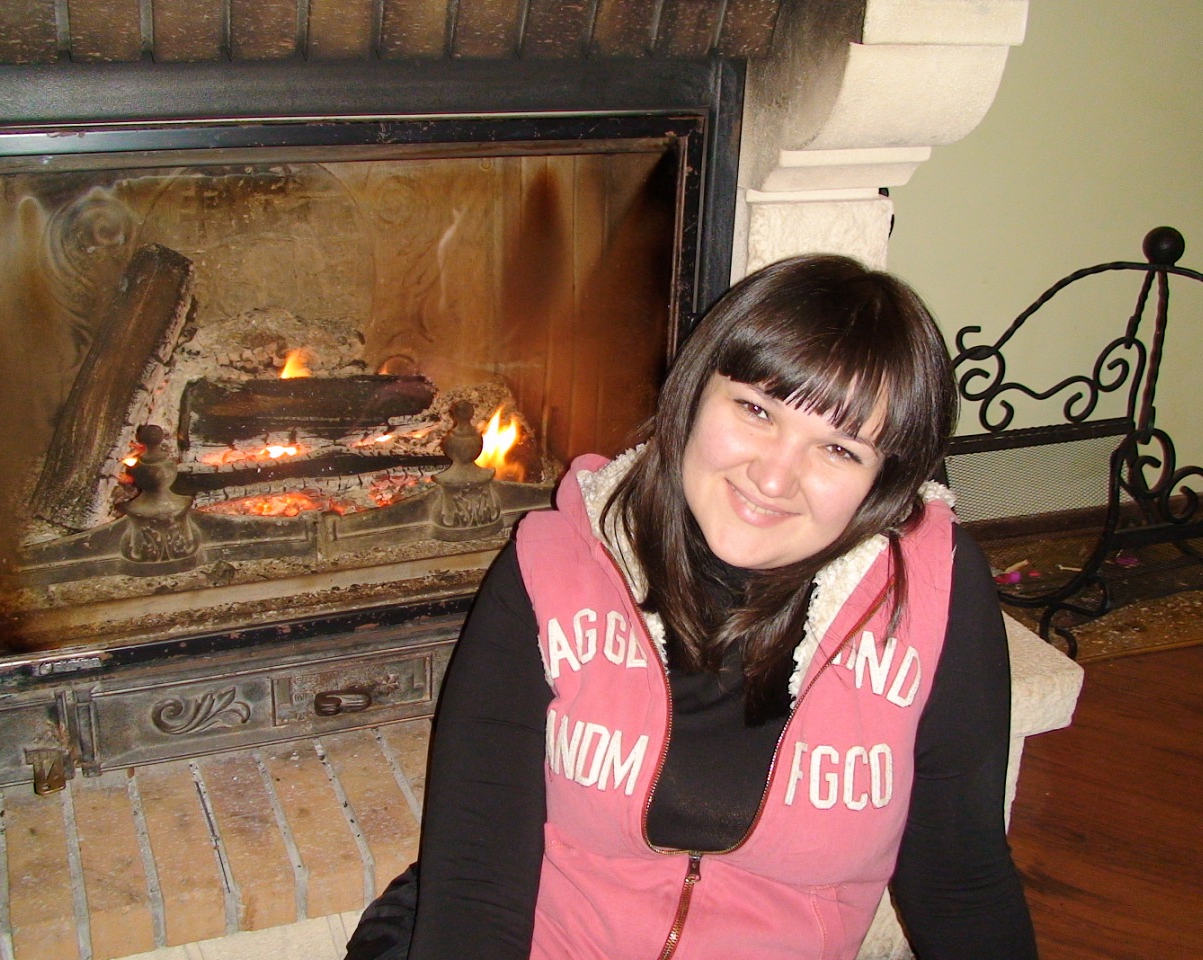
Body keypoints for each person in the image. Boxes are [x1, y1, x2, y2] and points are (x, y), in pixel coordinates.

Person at [347, 254, 1038, 960]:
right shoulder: (553, 568)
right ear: (695, 391)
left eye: (838, 449)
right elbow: (475, 883)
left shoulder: (929, 594)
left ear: (884, 482)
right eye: (756, 410)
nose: (774, 477)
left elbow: (961, 879)